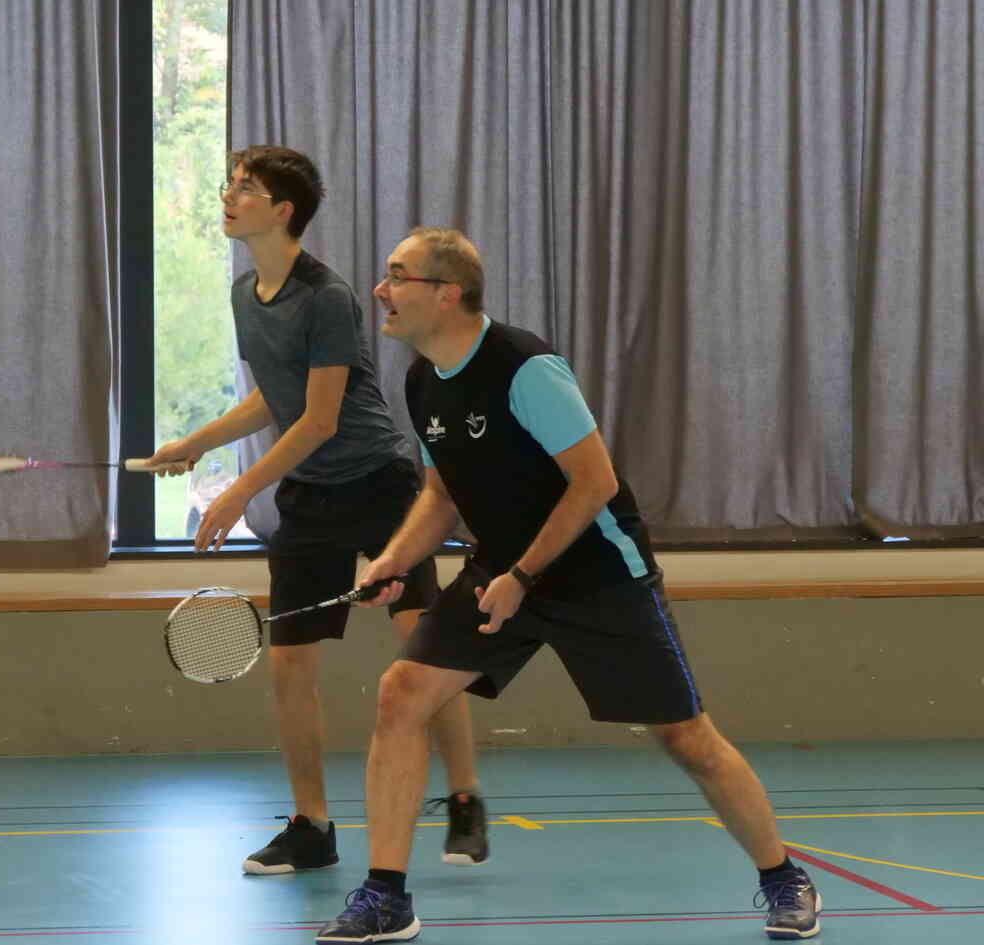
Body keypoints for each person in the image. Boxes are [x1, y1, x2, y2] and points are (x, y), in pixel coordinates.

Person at [314, 227, 821, 943]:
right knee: (402, 693)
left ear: (448, 293)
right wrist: (394, 559)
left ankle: (784, 877)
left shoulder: (526, 368)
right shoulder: (422, 379)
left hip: (598, 574)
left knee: (686, 737)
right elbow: (441, 494)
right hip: (502, 569)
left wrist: (524, 575)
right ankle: (385, 896)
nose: (380, 289)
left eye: (397, 275)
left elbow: (595, 482)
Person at [148, 150, 488, 875]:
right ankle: (312, 826)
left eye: (247, 188)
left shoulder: (326, 295)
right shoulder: (246, 294)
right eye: (229, 184)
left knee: (422, 647)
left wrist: (240, 490)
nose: (229, 195)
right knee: (288, 663)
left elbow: (321, 417)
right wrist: (195, 443)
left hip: (378, 485)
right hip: (309, 495)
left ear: (284, 212)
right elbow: (274, 396)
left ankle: (464, 798)